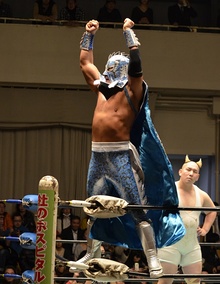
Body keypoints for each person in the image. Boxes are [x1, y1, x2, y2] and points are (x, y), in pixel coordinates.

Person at [77, 18, 185, 278]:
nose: (109, 69)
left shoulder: (132, 91)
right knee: (94, 206)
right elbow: (85, 63)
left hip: (122, 156)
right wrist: (88, 34)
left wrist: (129, 35)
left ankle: (152, 258)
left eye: (115, 66)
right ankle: (93, 251)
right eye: (109, 66)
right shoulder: (101, 91)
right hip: (98, 155)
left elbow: (137, 68)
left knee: (138, 209)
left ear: (122, 71)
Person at [157, 155, 217, 284]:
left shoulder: (201, 194)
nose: (191, 173)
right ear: (180, 172)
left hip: (191, 245)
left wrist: (206, 229)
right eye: (188, 170)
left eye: (195, 171)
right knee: (165, 282)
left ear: (198, 177)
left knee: (195, 281)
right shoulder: (169, 191)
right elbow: (153, 210)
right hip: (170, 244)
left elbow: (212, 211)